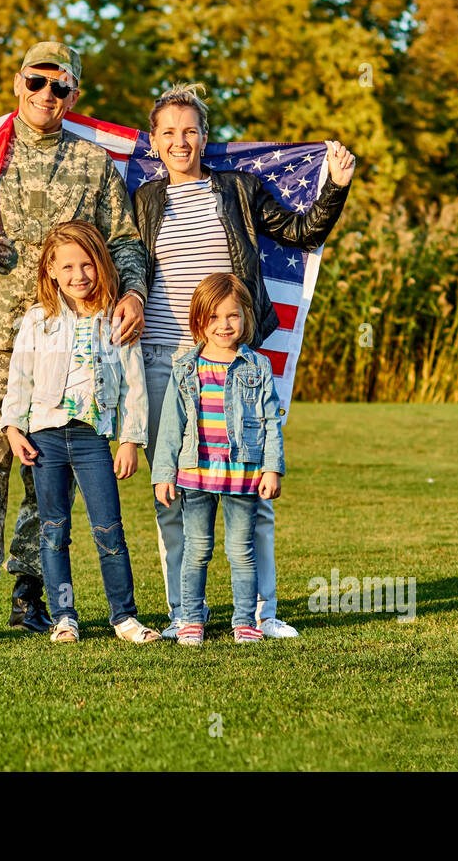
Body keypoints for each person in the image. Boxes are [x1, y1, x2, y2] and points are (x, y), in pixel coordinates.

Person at [0, 41, 149, 644]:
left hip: (66, 338)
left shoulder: (94, 162)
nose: (46, 94)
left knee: (45, 476)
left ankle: (31, 596)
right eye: (36, 81)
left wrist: (134, 293)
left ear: (73, 95)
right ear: (18, 83)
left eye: (59, 86)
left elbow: (123, 241)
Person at [135, 83, 355, 639]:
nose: (180, 140)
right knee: (176, 491)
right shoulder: (145, 200)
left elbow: (304, 233)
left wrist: (336, 184)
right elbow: (127, 268)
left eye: (190, 131)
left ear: (204, 138)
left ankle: (262, 613)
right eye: (168, 132)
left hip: (234, 363)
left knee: (252, 492)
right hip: (164, 360)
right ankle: (186, 615)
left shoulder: (238, 188)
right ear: (154, 143)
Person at [0, 221, 159, 644]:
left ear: (102, 265)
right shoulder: (39, 320)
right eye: (67, 266)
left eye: (87, 264)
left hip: (93, 440)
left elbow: (133, 385)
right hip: (45, 438)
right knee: (54, 530)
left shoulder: (117, 320)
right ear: (51, 269)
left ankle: (124, 617)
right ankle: (64, 616)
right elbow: (20, 378)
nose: (79, 276)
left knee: (109, 531)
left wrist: (130, 440)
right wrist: (13, 428)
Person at [151, 273, 283, 645]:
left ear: (245, 318)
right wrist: (164, 474)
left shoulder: (257, 367)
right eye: (213, 318)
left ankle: (245, 620)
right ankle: (191, 618)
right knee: (197, 548)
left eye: (233, 316)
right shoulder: (186, 368)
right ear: (198, 320)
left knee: (241, 550)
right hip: (195, 474)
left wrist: (272, 467)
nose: (224, 325)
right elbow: (170, 427)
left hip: (243, 475)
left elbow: (271, 419)